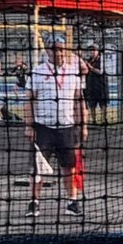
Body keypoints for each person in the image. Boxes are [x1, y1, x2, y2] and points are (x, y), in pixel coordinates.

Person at [23, 32, 87, 219]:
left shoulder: (73, 72)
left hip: (67, 127)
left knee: (69, 166)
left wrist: (83, 126)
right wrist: (29, 125)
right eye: (53, 49)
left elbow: (79, 100)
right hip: (43, 127)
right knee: (38, 167)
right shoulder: (37, 71)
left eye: (60, 49)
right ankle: (34, 202)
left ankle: (72, 201)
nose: (57, 53)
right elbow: (29, 100)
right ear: (48, 51)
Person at [82, 43, 108, 125]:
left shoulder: (101, 60)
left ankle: (104, 120)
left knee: (103, 103)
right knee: (92, 104)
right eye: (91, 50)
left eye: (94, 50)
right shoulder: (89, 60)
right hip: (91, 85)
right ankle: (94, 120)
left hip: (101, 85)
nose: (92, 52)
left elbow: (100, 72)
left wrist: (91, 67)